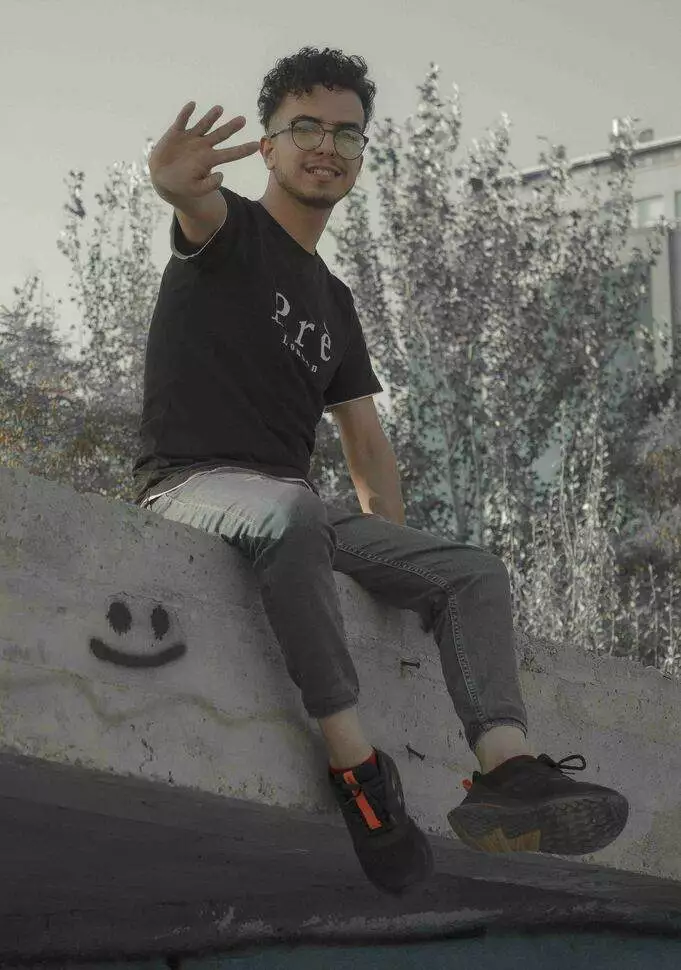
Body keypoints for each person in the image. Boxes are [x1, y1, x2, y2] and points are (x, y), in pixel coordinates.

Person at [132, 47, 629, 896]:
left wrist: (391, 562)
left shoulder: (334, 299)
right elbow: (194, 205)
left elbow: (364, 444)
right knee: (292, 511)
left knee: (471, 571)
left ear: (361, 154)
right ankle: (356, 769)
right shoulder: (230, 230)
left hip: (291, 507)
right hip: (189, 486)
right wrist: (173, 185)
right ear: (267, 146)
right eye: (305, 129)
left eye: (346, 134)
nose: (326, 147)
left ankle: (506, 767)